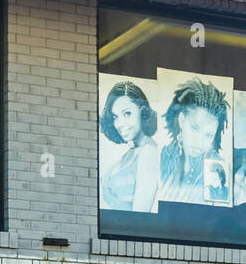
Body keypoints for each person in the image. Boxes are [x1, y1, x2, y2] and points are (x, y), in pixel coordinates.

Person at [158, 78, 229, 204]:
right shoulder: (164, 154)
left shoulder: (218, 167)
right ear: (181, 120)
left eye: (208, 135)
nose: (200, 142)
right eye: (195, 128)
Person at [98, 81, 158, 212]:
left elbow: (140, 214)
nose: (119, 124)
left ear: (142, 112)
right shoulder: (133, 152)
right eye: (115, 117)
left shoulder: (148, 152)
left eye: (127, 113)